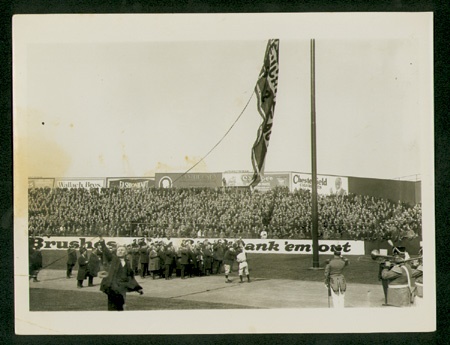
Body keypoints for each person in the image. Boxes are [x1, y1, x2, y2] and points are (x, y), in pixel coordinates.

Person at [98, 238, 143, 311]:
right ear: (116, 252)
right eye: (118, 250)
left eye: (122, 250)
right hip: (112, 287)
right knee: (112, 307)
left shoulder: (127, 263)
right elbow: (106, 252)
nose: (120, 251)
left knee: (121, 306)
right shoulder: (113, 259)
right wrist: (102, 243)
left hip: (122, 288)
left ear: (126, 252)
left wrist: (138, 288)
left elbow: (130, 277)